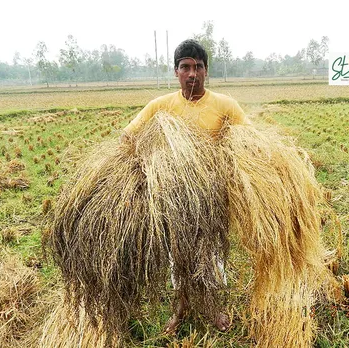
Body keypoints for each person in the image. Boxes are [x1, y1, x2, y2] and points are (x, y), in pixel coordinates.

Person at [122, 39, 249, 333]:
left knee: (212, 255)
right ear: (176, 72)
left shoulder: (225, 105)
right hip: (173, 198)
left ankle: (213, 307)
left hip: (214, 196)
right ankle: (181, 308)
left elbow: (248, 141)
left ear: (206, 71)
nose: (192, 73)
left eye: (198, 67)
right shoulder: (161, 106)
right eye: (185, 67)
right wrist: (142, 169)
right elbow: (128, 136)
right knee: (177, 256)